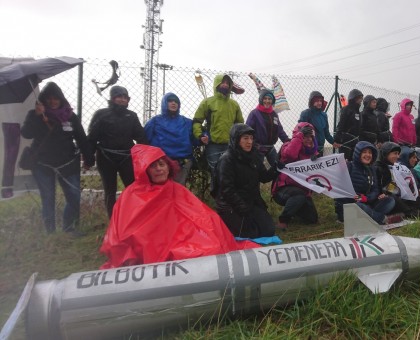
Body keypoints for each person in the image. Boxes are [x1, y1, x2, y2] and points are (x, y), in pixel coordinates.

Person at [99, 144, 259, 269]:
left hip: (185, 238)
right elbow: (124, 229)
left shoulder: (176, 189)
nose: (159, 169)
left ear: (169, 167)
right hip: (157, 244)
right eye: (153, 166)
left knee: (212, 247)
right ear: (145, 171)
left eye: (162, 164)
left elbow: (200, 215)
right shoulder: (132, 194)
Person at [20, 82, 94, 234]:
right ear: (43, 100)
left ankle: (69, 228)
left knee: (74, 197)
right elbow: (26, 133)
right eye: (49, 99)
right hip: (43, 165)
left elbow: (81, 138)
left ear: (61, 99)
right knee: (48, 198)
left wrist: (89, 158)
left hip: (67, 162)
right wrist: (37, 116)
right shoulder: (35, 114)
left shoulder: (70, 116)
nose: (53, 102)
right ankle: (50, 233)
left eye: (56, 99)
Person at [88, 85, 147, 218]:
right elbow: (92, 138)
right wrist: (89, 158)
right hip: (105, 158)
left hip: (126, 158)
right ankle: (113, 221)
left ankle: (134, 217)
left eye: (125, 97)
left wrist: (147, 156)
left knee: (133, 189)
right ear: (113, 98)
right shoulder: (101, 114)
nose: (122, 99)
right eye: (119, 96)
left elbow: (141, 137)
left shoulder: (131, 116)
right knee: (110, 191)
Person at [214, 124, 278, 238]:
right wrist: (243, 208)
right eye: (245, 138)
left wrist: (277, 168)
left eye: (251, 138)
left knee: (269, 230)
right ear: (236, 139)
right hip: (231, 205)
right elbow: (227, 190)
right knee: (248, 234)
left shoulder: (254, 156)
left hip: (251, 202)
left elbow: (264, 177)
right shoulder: (227, 159)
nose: (249, 142)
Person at [334, 141, 396, 224]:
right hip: (349, 205)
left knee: (390, 201)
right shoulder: (349, 166)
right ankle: (380, 218)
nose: (368, 155)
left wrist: (366, 198)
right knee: (358, 206)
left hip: (367, 204)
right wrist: (356, 197)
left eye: (370, 152)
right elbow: (339, 191)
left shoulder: (372, 169)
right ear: (358, 153)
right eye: (364, 152)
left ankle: (369, 216)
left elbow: (375, 190)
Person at [272, 122, 319, 229]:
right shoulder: (287, 146)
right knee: (298, 195)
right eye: (305, 136)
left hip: (303, 192)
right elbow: (290, 155)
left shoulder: (314, 154)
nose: (308, 139)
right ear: (298, 135)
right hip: (283, 190)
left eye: (310, 137)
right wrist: (299, 136)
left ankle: (295, 210)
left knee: (312, 219)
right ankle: (283, 220)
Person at [192, 73, 244, 171]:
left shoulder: (234, 104)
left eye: (227, 83)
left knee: (230, 173)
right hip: (213, 144)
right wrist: (200, 136)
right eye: (222, 82)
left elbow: (240, 124)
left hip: (230, 145)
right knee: (215, 173)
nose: (225, 85)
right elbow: (197, 121)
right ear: (216, 84)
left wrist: (238, 140)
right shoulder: (207, 102)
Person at [144, 92, 196, 185]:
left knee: (178, 188)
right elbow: (144, 140)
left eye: (176, 101)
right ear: (165, 103)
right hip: (161, 162)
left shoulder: (186, 122)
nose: (173, 103)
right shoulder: (155, 121)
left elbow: (196, 138)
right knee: (161, 188)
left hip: (183, 161)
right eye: (170, 101)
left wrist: (203, 138)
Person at [245, 89, 290, 168]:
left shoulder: (274, 114)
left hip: (270, 147)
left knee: (279, 168)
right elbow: (247, 130)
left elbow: (279, 130)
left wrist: (287, 141)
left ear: (272, 101)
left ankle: (278, 180)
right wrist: (250, 145)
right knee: (257, 171)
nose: (267, 101)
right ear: (261, 100)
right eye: (265, 98)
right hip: (257, 148)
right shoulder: (254, 114)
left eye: (269, 99)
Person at [375, 142, 420, 217]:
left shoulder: (387, 167)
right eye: (395, 153)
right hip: (379, 199)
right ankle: (409, 213)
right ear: (386, 153)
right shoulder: (378, 168)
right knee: (392, 198)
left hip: (388, 195)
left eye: (398, 154)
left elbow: (390, 187)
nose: (398, 156)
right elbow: (382, 186)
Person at [299, 91, 338, 156]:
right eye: (317, 101)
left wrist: (333, 142)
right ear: (312, 102)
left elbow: (326, 133)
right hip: (309, 148)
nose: (319, 103)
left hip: (321, 148)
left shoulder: (324, 115)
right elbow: (300, 131)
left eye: (321, 101)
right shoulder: (305, 114)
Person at [335, 89, 364, 160]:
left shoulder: (358, 112)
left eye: (361, 98)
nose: (360, 100)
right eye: (358, 98)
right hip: (346, 141)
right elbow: (341, 125)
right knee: (345, 162)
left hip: (355, 141)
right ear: (353, 98)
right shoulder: (346, 109)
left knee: (354, 161)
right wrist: (337, 139)